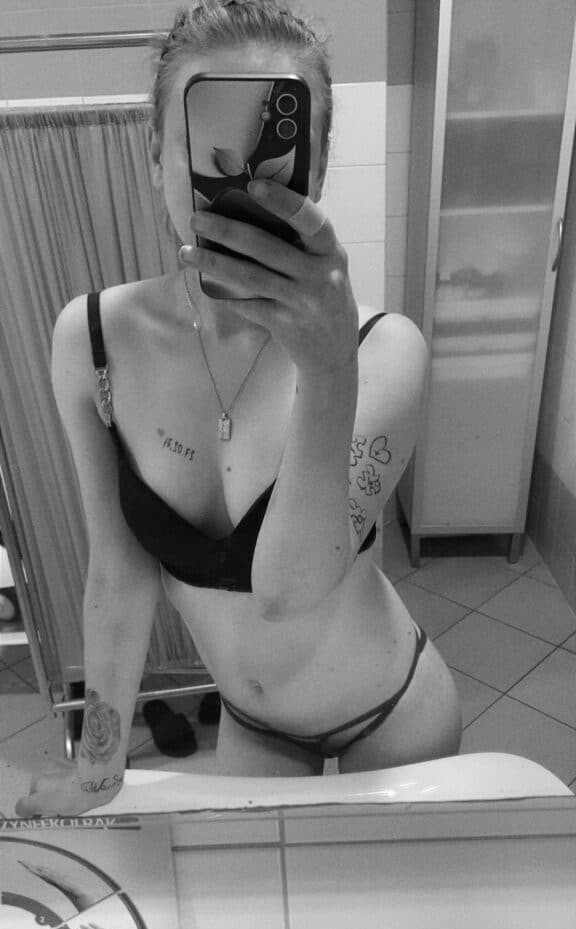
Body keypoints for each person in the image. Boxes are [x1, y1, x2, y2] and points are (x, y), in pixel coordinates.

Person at [15, 0, 461, 818]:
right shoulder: (92, 341)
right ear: (157, 153)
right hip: (255, 726)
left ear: (314, 174)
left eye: (277, 153)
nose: (243, 179)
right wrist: (98, 769)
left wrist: (328, 369)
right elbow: (117, 574)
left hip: (392, 712)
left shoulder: (383, 350)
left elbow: (292, 589)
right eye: (208, 139)